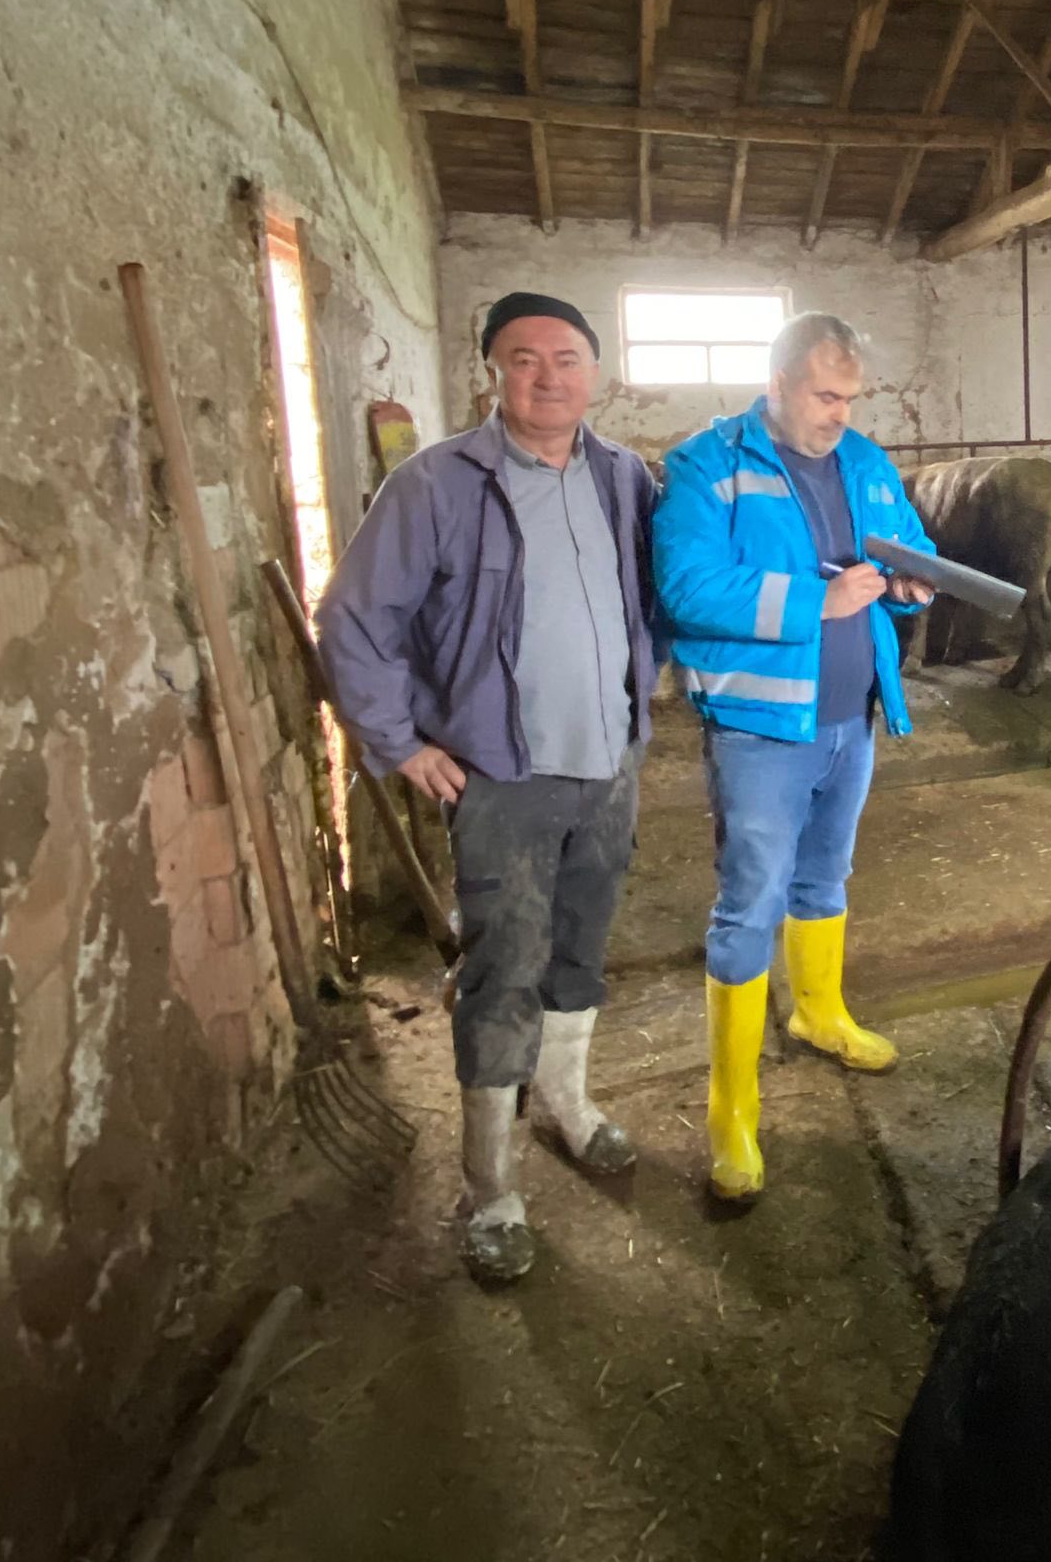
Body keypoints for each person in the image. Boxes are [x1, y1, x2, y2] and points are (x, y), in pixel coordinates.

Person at [317, 291, 657, 1284]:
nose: (546, 375)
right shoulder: (433, 483)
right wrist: (398, 742)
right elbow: (355, 618)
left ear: (596, 371)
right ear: (491, 373)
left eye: (565, 356)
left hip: (610, 764)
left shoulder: (624, 476)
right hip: (500, 775)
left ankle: (567, 1101)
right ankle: (491, 1186)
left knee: (581, 949)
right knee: (501, 965)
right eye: (522, 359)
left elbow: (652, 596)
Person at [652, 312, 937, 1203]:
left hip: (852, 716)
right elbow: (686, 587)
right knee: (748, 907)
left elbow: (908, 540)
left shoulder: (863, 461)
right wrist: (817, 601)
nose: (839, 415)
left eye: (850, 399)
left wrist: (914, 578)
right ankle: (732, 1110)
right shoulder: (710, 463)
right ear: (775, 384)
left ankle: (818, 1012)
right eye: (824, 396)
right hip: (759, 729)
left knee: (826, 880)